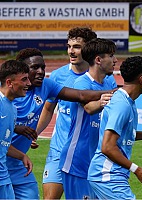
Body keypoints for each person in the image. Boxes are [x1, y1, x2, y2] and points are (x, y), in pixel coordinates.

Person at [7, 48, 113, 199]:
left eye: (43, 67)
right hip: (4, 160)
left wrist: (116, 92)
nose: (41, 71)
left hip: (19, 165)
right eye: (34, 67)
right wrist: (16, 128)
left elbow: (80, 95)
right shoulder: (6, 97)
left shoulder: (46, 86)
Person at [88, 56, 142, 199]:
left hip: (109, 174)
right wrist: (137, 170)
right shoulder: (121, 105)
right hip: (107, 175)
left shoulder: (127, 101)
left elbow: (122, 136)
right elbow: (107, 147)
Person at [35, 26, 97, 199]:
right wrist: (35, 133)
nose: (71, 51)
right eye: (69, 46)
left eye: (76, 46)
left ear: (89, 48)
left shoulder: (103, 78)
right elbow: (48, 109)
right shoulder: (57, 76)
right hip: (58, 149)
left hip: (85, 154)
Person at [59, 38, 118, 199]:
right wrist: (105, 100)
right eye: (111, 56)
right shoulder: (82, 83)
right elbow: (88, 108)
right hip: (78, 160)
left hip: (97, 162)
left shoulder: (108, 84)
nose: (116, 60)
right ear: (98, 60)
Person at [0, 60, 33, 199]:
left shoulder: (13, 108)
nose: (29, 84)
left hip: (3, 177)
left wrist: (22, 155)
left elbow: (3, 143)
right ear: (9, 83)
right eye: (24, 79)